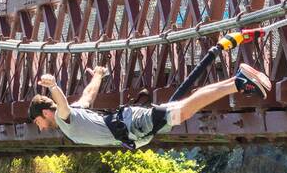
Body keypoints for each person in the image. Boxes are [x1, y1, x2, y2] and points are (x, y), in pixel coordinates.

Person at [27, 46, 271, 148]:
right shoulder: (74, 114)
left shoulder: (62, 117)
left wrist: (53, 86)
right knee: (185, 107)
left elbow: (60, 102)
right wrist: (99, 76)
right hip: (132, 126)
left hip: (133, 125)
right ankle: (235, 80)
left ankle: (238, 82)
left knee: (183, 112)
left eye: (38, 122)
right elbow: (88, 96)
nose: (40, 128)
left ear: (45, 113)